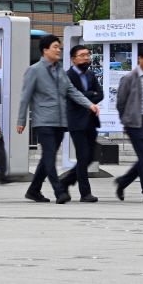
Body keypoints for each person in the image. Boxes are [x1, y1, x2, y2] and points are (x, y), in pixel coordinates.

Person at [16, 35, 98, 204]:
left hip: (60, 122)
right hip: (43, 121)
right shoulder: (35, 70)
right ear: (45, 50)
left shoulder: (60, 70)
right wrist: (21, 120)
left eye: (59, 47)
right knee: (50, 156)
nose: (58, 49)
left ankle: (33, 190)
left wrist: (89, 105)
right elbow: (25, 97)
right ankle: (59, 190)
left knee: (47, 156)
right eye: (55, 47)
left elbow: (72, 91)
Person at [112, 45, 143, 202]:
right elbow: (121, 103)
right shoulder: (129, 79)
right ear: (139, 59)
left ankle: (123, 182)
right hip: (135, 122)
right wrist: (126, 121)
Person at [59, 45, 103, 202]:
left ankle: (64, 182)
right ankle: (85, 193)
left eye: (88, 55)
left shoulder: (91, 75)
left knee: (91, 156)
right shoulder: (67, 76)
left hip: (91, 120)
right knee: (83, 157)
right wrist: (91, 94)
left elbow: (101, 94)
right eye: (82, 55)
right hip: (76, 122)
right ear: (73, 58)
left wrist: (85, 97)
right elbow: (72, 96)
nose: (86, 58)